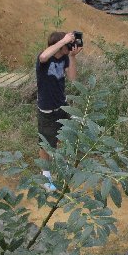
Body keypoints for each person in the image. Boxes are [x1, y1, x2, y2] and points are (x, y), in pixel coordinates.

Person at [35, 30, 82, 187]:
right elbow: (43, 57)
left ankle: (65, 169)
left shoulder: (64, 58)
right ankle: (46, 176)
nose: (70, 46)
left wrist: (72, 57)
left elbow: (73, 79)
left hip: (62, 105)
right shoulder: (45, 59)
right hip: (47, 109)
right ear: (59, 45)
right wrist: (64, 40)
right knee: (46, 143)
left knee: (68, 135)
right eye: (68, 44)